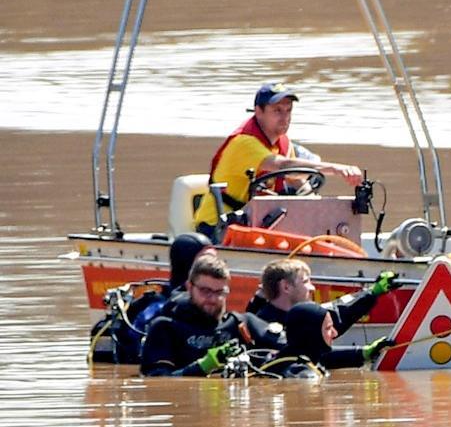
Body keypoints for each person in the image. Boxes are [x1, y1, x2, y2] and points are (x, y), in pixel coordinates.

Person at [196, 82, 365, 237]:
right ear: (258, 111)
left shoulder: (282, 143)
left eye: (288, 110)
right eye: (277, 111)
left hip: (255, 223)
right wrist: (336, 169)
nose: (285, 117)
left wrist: (320, 209)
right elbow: (283, 166)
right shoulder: (244, 143)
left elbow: (296, 180)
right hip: (217, 226)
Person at [139, 254, 282, 377]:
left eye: (219, 292)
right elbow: (158, 381)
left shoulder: (241, 324)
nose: (213, 299)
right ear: (190, 287)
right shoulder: (165, 328)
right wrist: (202, 367)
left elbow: (289, 351)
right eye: (205, 291)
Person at [89, 232, 216, 364]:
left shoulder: (215, 307)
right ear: (187, 266)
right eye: (206, 263)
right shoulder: (155, 310)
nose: (214, 268)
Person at [245, 258, 399, 335]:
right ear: (286, 287)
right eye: (305, 282)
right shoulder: (264, 329)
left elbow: (338, 310)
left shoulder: (306, 316)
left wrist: (373, 292)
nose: (312, 288)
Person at [263, 302, 393, 377]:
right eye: (328, 328)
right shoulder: (303, 374)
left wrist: (365, 352)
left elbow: (328, 358)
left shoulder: (286, 358)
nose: (335, 333)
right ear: (312, 334)